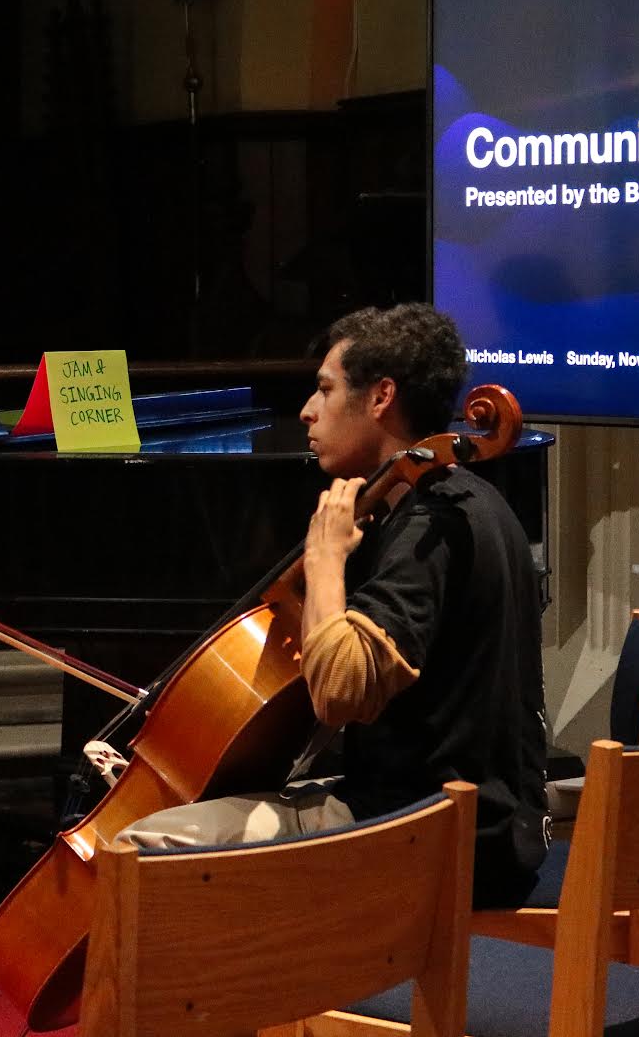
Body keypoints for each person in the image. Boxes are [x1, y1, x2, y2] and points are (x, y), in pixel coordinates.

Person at [118, 302, 550, 906]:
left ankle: (252, 996)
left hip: (427, 839)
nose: (307, 411)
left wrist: (325, 564)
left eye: (325, 389)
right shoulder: (473, 500)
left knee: (139, 847)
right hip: (488, 824)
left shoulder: (426, 531)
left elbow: (341, 690)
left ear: (381, 397)